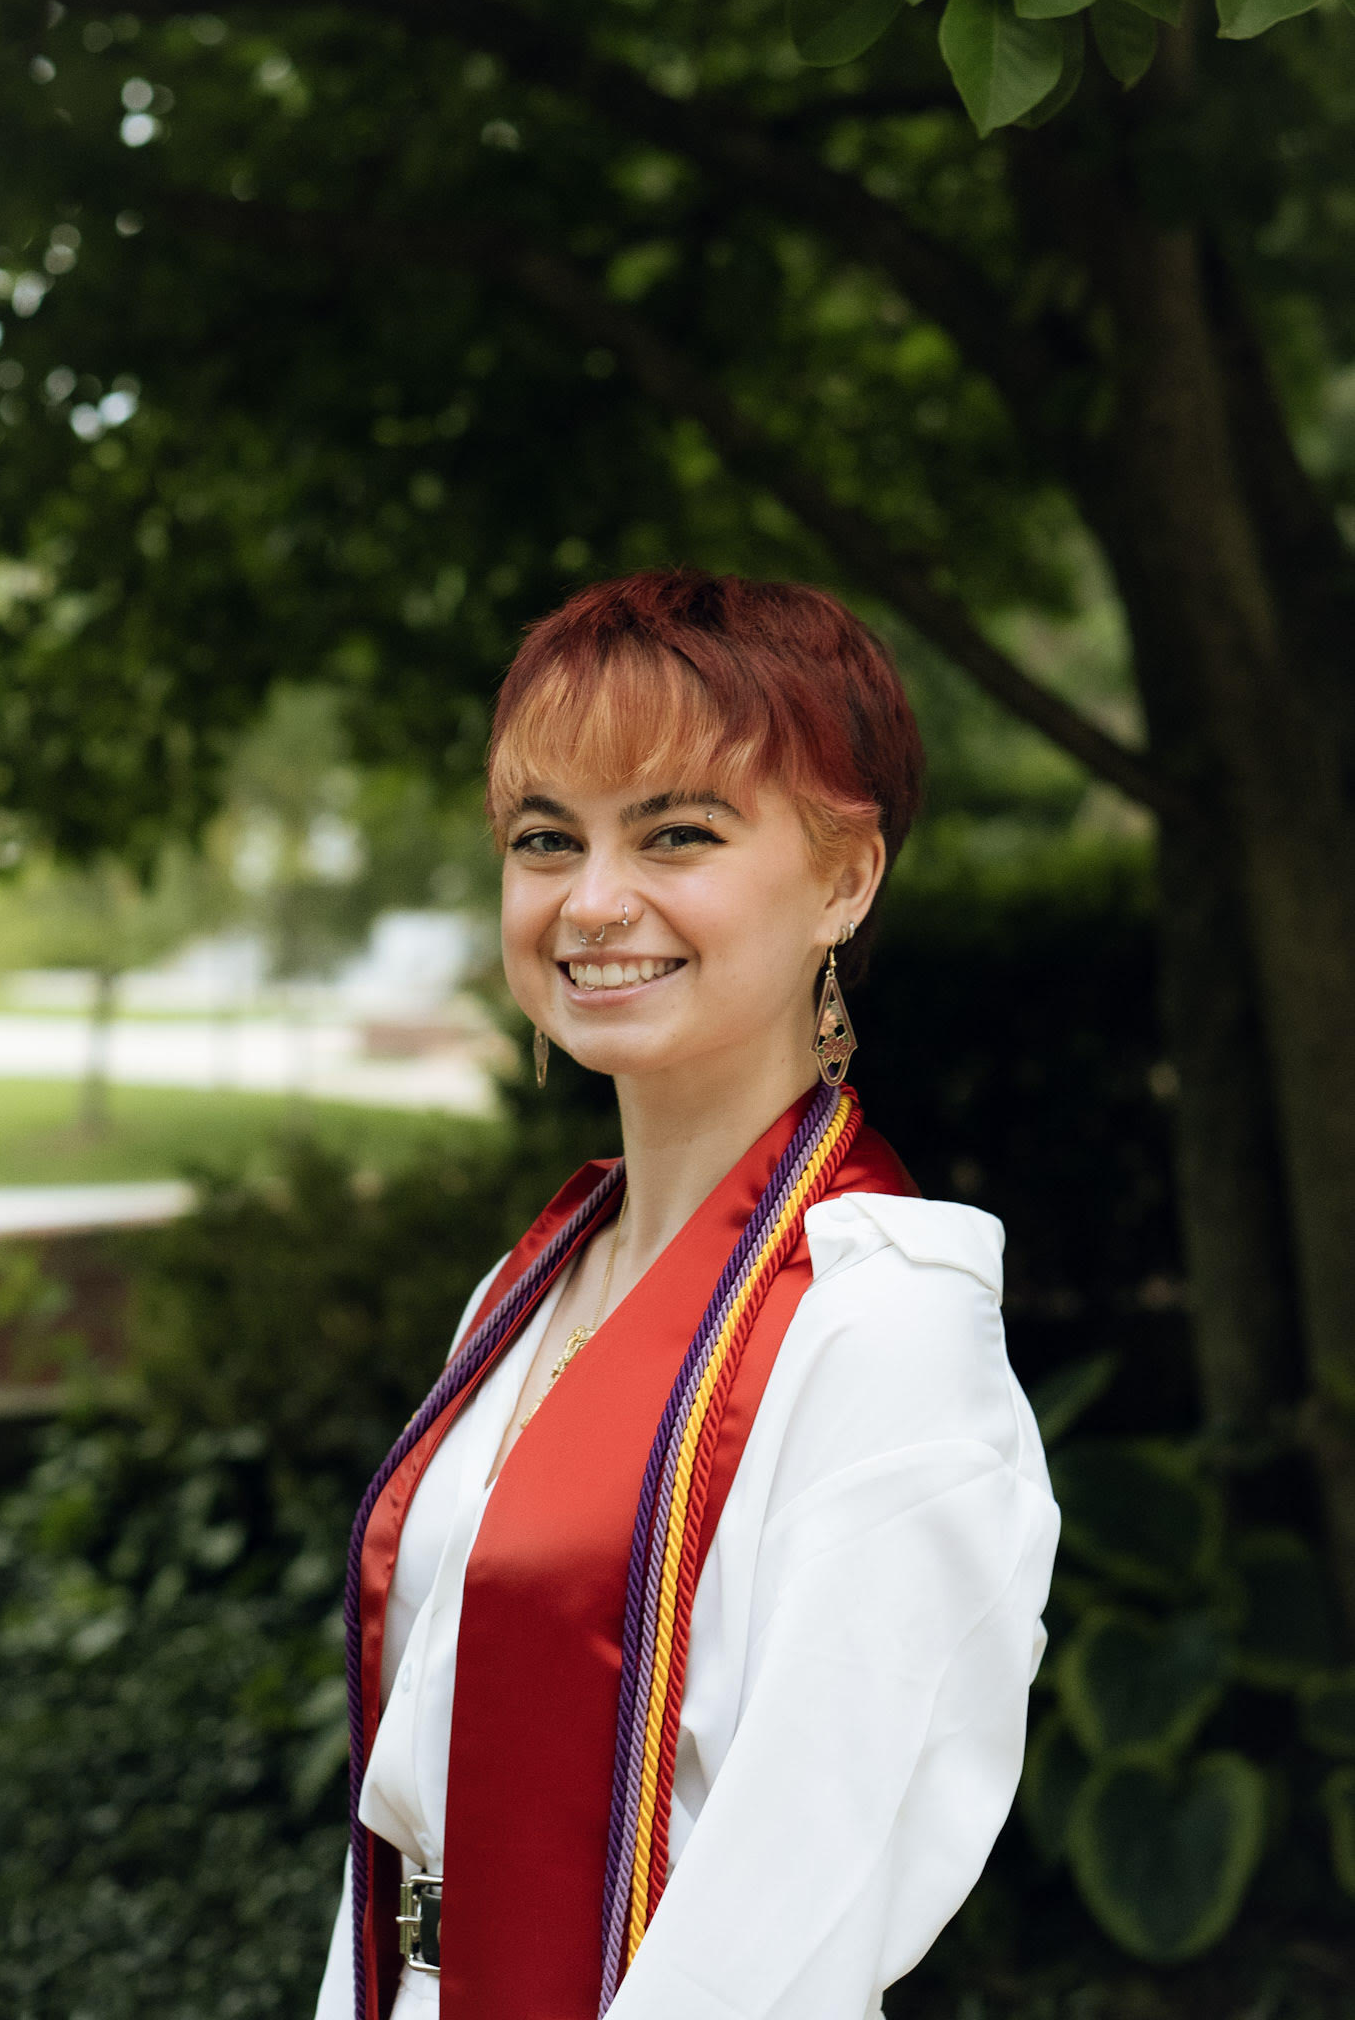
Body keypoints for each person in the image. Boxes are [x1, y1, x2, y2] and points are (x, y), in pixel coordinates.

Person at [314, 569, 1060, 2020]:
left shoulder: (879, 1321)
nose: (593, 902)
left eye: (677, 834)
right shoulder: (524, 1292)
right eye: (546, 839)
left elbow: (803, 1895)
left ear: (844, 878)